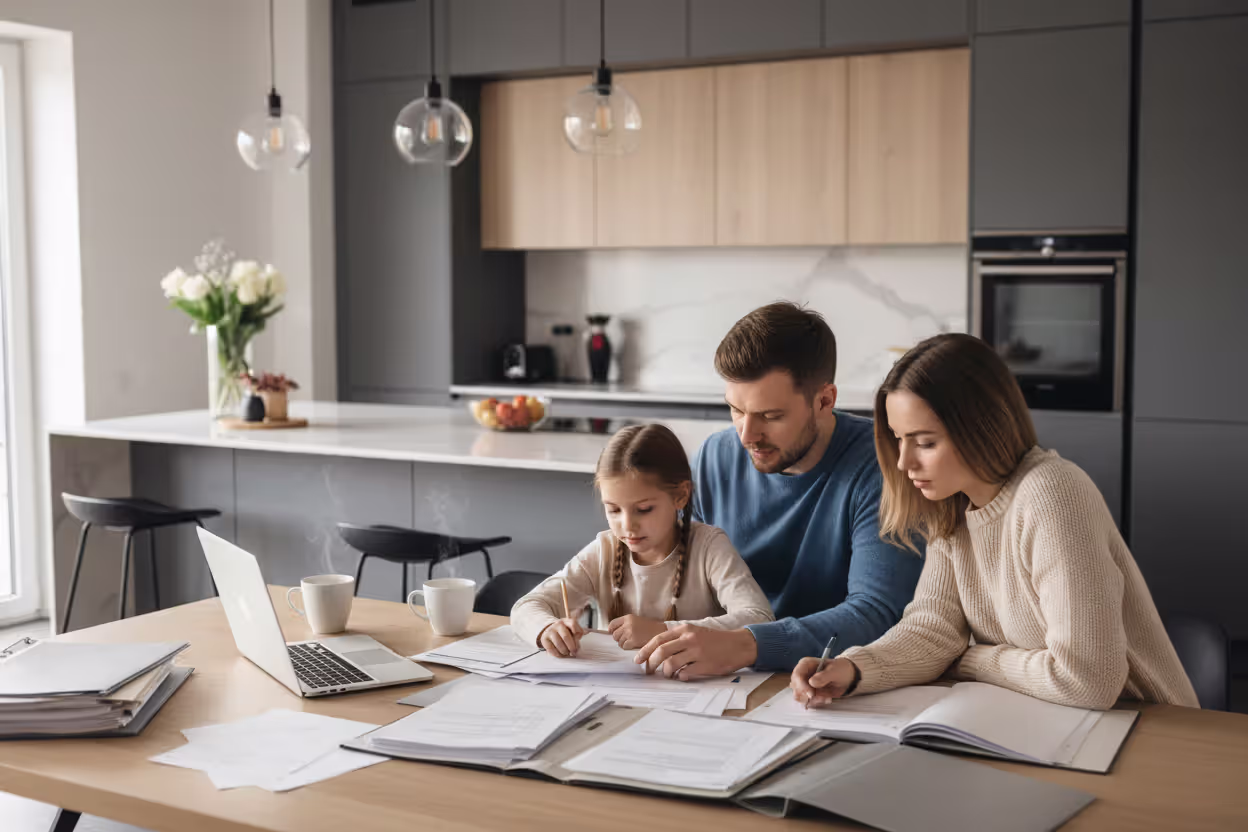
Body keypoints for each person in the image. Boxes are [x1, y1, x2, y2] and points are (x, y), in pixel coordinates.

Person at [791, 333, 1198, 710]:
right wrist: (853, 669)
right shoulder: (953, 507)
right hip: (1054, 718)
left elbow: (1087, 680)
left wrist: (972, 660)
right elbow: (933, 629)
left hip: (1149, 726)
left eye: (926, 442)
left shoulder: (1052, 493)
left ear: (980, 427)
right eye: (899, 439)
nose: (904, 462)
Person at [636, 302, 923, 679]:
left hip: (828, 680)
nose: (746, 435)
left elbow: (877, 615)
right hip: (722, 676)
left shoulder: (884, 467)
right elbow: (678, 578)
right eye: (736, 410)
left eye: (770, 417)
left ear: (824, 401)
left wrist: (747, 645)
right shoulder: (714, 457)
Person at [511, 424, 774, 655]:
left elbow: (760, 619)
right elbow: (527, 606)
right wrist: (546, 628)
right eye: (614, 510)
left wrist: (660, 631)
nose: (627, 526)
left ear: (681, 496)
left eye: (644, 509)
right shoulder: (604, 550)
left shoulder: (709, 547)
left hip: (697, 685)